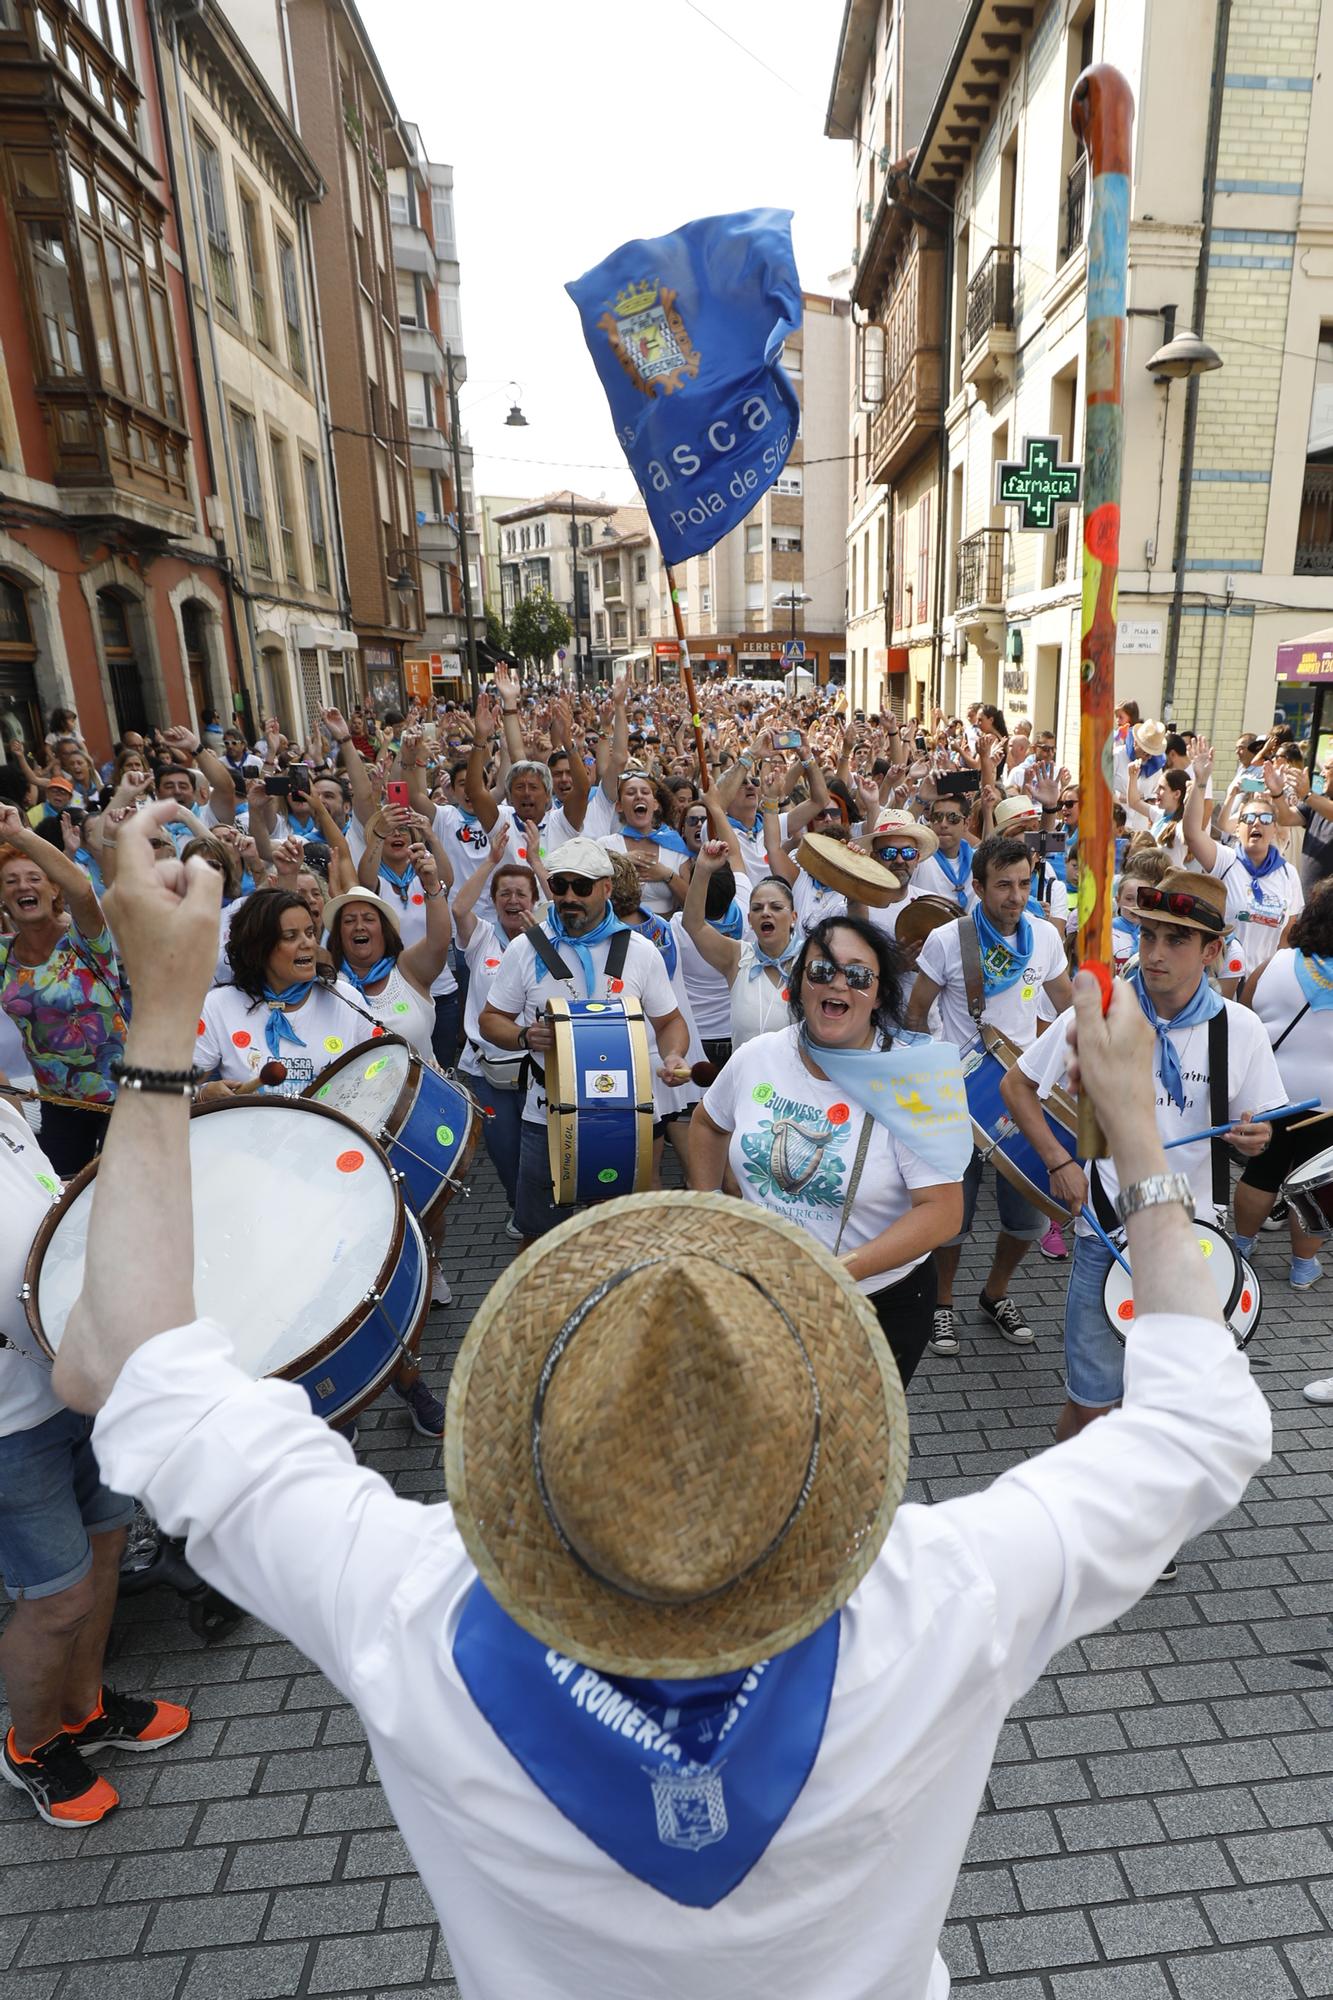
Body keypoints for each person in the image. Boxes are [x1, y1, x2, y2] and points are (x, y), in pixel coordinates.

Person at [52, 798, 1271, 1993]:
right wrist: (1136, 1139)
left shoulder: (406, 1611)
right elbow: (1198, 1423)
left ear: (527, 1438)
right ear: (829, 1435)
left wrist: (158, 1026)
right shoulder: (945, 1605)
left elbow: (120, 1362)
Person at [1002, 869, 1281, 1447]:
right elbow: (1016, 1085)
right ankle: (1074, 1513)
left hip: (1194, 1241)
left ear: (1211, 952)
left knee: (1164, 1408)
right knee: (1090, 1408)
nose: (1154, 953)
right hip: (1106, 1234)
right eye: (1149, 935)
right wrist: (1059, 1160)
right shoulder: (1100, 1012)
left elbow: (1262, 1125)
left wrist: (1257, 1139)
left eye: (1175, 940)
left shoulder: (1242, 1029)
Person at [689, 915, 963, 1386]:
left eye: (858, 975)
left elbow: (942, 1213)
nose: (838, 983)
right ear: (799, 985)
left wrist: (837, 1271)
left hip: (878, 1304)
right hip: (764, 1290)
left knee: (850, 1446)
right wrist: (711, 1208)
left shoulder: (912, 1081)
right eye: (822, 971)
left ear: (878, 995)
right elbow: (707, 1124)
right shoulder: (758, 1056)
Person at [906, 834, 1073, 1356]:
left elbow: (1068, 1010)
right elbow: (915, 1015)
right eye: (1003, 885)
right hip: (959, 1099)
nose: (1016, 895)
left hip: (1023, 1095)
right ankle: (941, 1303)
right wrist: (928, 1080)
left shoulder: (1044, 937)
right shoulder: (948, 940)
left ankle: (995, 1292)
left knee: (1027, 1216)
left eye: (1024, 883)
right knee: (953, 1215)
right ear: (977, 887)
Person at [478, 837, 691, 1243]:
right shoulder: (527, 949)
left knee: (622, 1232)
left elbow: (669, 1022)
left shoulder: (640, 951)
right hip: (545, 1115)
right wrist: (524, 1035)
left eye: (582, 886)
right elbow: (491, 1020)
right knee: (539, 1239)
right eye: (560, 886)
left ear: (607, 888)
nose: (569, 896)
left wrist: (675, 1055)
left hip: (623, 1115)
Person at [0, 801, 127, 1178]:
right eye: (10, 881)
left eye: (35, 877)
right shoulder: (3, 954)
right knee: (58, 1203)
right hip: (59, 1104)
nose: (23, 885)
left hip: (126, 1098)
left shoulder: (85, 940)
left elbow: (82, 889)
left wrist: (17, 833)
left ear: (54, 888)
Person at [1233, 883, 1333, 1307]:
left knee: (1261, 1173)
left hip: (1271, 1092)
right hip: (1328, 1104)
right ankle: (1302, 1266)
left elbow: (1246, 1015)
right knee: (1314, 1184)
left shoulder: (1274, 963)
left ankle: (1239, 1246)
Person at [195, 890, 371, 1101]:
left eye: (310, 932)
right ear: (260, 948)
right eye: (290, 936)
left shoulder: (347, 1000)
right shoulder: (218, 1006)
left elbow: (384, 1075)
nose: (307, 943)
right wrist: (202, 1094)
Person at [451, 822, 540, 1227]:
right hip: (488, 1068)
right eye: (504, 894)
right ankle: (517, 1205)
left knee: (543, 1142)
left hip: (538, 1064)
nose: (513, 900)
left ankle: (543, 1207)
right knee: (504, 1147)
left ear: (535, 901)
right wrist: (491, 861)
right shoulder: (482, 936)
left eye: (522, 893)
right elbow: (458, 909)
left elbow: (560, 905)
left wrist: (535, 861)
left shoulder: (549, 939)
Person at [1182, 739, 1303, 974]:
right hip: (1219, 979)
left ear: (1275, 829)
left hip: (1262, 983)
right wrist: (1200, 781)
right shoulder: (1226, 861)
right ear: (1237, 829)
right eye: (1247, 819)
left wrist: (1271, 980)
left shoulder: (1289, 875)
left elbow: (1287, 937)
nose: (1256, 823)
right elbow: (1193, 834)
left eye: (1265, 819)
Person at [682, 843, 801, 1051]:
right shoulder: (737, 957)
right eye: (757, 908)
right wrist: (702, 869)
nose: (765, 912)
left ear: (793, 918)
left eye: (776, 907)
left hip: (796, 1080)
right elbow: (694, 925)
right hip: (748, 1080)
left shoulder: (811, 959)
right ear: (750, 920)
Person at [323, 874, 447, 1063]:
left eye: (368, 919)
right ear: (338, 935)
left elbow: (438, 943)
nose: (359, 926)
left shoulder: (407, 969)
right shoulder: (328, 981)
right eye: (348, 921)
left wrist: (432, 886)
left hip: (423, 1090)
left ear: (384, 929)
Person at [913, 794, 976, 909]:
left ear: (966, 824)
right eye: (937, 817)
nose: (943, 824)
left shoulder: (978, 860)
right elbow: (898, 833)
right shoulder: (917, 858)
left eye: (953, 818)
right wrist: (920, 798)